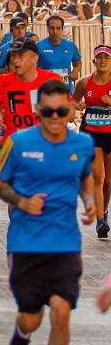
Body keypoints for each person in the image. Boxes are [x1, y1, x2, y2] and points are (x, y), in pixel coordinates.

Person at [0, 80, 95, 345]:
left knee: (61, 311)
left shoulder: (82, 144)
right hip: (26, 244)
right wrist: (22, 202)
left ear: (71, 109)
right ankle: (22, 334)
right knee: (31, 318)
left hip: (65, 243)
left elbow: (85, 177)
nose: (55, 118)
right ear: (38, 110)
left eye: (61, 111)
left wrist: (89, 201)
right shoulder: (18, 142)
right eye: (48, 112)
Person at [0, 39, 62, 141]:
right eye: (13, 55)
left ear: (35, 58)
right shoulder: (2, 81)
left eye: (21, 56)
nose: (15, 60)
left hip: (45, 146)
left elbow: (70, 114)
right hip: (14, 146)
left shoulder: (52, 80)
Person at [73, 44, 111, 239]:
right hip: (91, 133)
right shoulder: (84, 82)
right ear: (94, 61)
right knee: (98, 177)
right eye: (100, 57)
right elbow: (72, 100)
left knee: (109, 181)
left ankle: (104, 211)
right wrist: (76, 104)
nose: (103, 60)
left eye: (106, 57)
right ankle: (100, 221)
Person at [36, 15, 81, 87]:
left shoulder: (70, 46)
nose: (55, 31)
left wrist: (75, 71)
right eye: (52, 28)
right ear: (47, 28)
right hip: (46, 91)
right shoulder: (39, 46)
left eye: (58, 28)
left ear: (62, 29)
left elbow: (78, 63)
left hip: (66, 90)